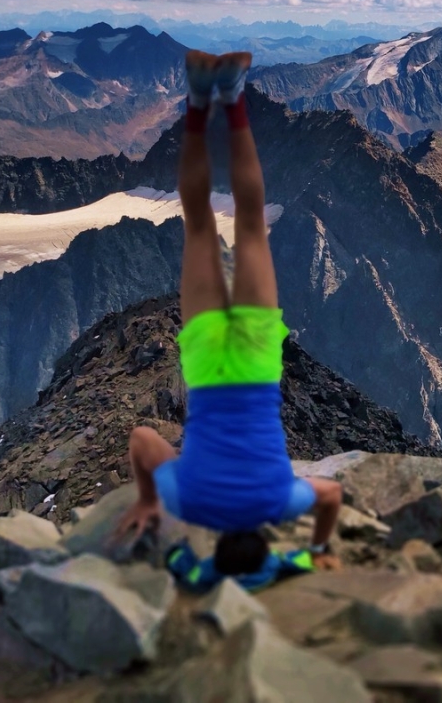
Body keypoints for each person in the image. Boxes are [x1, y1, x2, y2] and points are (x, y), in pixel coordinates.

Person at [115, 50, 341, 576]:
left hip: (259, 360)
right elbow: (143, 441)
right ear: (215, 546)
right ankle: (199, 101)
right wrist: (150, 499)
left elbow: (329, 495)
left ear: (266, 541)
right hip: (207, 361)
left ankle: (232, 97)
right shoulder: (188, 503)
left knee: (250, 222)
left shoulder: (279, 504)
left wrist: (320, 549)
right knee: (198, 222)